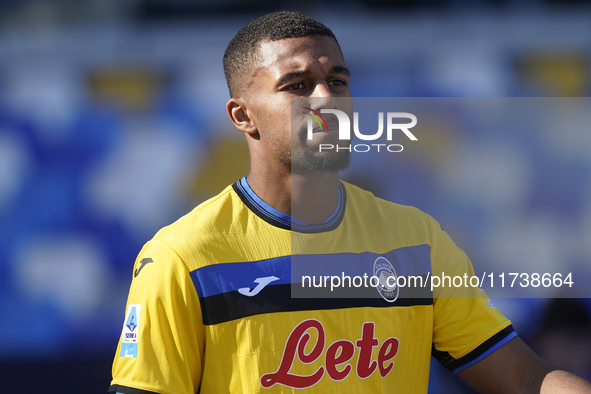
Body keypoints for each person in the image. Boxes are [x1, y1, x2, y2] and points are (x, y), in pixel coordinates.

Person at [108, 11, 591, 394]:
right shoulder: (181, 257)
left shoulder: (415, 239)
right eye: (297, 86)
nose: (325, 100)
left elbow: (525, 380)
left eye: (337, 81)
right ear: (243, 115)